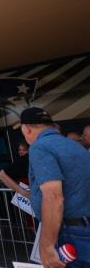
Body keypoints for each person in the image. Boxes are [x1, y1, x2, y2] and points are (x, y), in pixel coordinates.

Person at [17, 107, 90, 267]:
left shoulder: (40, 147)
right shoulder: (75, 145)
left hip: (71, 233)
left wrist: (46, 245)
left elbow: (53, 196)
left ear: (26, 128)